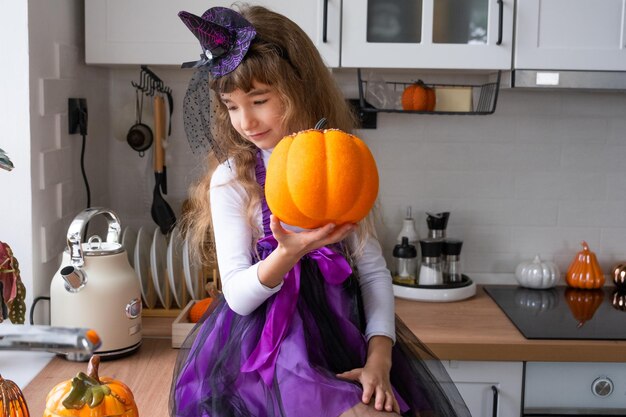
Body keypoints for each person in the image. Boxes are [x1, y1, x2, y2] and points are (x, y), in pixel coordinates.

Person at [170, 4, 472, 417]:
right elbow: (238, 297)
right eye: (232, 106)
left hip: (343, 344)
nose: (246, 121)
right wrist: (288, 252)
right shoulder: (233, 178)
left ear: (298, 90)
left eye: (259, 100)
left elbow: (372, 272)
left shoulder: (339, 162)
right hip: (265, 360)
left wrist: (379, 359)